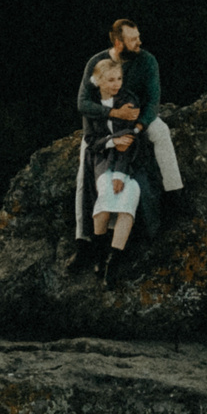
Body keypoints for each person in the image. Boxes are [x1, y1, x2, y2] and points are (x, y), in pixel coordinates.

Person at [69, 17, 181, 262]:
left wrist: (138, 128)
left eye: (138, 37)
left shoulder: (148, 61)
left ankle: (174, 195)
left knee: (161, 132)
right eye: (133, 39)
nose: (139, 42)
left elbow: (153, 102)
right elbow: (82, 103)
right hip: (103, 125)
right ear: (119, 43)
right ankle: (83, 241)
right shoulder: (96, 63)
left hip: (137, 121)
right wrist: (112, 114)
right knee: (83, 166)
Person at [81, 55, 145, 285]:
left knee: (128, 196)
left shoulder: (128, 100)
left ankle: (112, 263)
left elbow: (128, 141)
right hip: (102, 158)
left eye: (119, 78)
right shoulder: (92, 107)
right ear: (98, 81)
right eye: (110, 80)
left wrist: (120, 173)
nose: (116, 84)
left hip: (130, 160)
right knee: (106, 195)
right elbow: (91, 140)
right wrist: (111, 141)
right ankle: (99, 253)